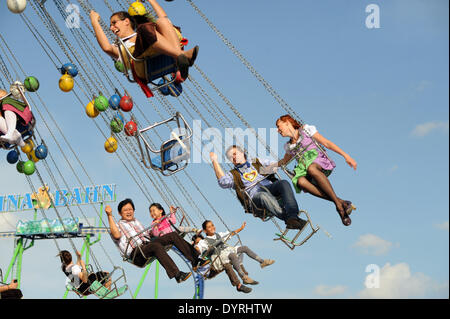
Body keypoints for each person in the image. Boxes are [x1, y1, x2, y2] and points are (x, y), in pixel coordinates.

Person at [276, 114, 357, 226]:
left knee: (311, 168)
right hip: (306, 170)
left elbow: (326, 143)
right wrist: (267, 168)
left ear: (287, 123)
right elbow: (283, 162)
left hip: (318, 162)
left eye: (279, 126)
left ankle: (339, 207)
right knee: (300, 181)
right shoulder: (289, 146)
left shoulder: (306, 130)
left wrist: (346, 156)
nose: (277, 130)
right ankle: (340, 202)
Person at [90, 0, 199, 80]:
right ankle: (182, 55)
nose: (111, 28)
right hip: (143, 67)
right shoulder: (121, 46)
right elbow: (106, 47)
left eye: (114, 23)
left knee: (161, 22)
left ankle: (179, 57)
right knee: (145, 28)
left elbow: (163, 18)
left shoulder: (146, 33)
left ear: (126, 21)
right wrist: (94, 21)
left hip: (162, 54)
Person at [105, 198, 202, 283]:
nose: (129, 212)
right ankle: (177, 274)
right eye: (125, 210)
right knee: (155, 246)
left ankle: (195, 261)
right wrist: (109, 215)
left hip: (148, 245)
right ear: (119, 213)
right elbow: (116, 235)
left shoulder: (136, 222)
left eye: (130, 209)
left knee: (172, 235)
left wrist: (156, 225)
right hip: (136, 253)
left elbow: (148, 234)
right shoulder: (117, 225)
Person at [210, 146, 307, 230]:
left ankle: (293, 216)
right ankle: (290, 219)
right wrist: (214, 161)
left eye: (235, 154)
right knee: (262, 195)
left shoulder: (256, 162)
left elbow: (276, 165)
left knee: (283, 183)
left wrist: (289, 154)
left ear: (242, 152)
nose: (234, 157)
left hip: (269, 187)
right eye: (231, 157)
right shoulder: (234, 174)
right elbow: (223, 182)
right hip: (255, 199)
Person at [196, 220, 275, 291]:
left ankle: (262, 262)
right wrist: (196, 249)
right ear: (205, 230)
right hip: (219, 257)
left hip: (227, 250)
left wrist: (241, 228)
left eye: (212, 225)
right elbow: (198, 248)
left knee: (244, 248)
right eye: (209, 227)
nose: (212, 227)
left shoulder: (219, 234)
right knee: (232, 255)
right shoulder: (204, 242)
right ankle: (244, 276)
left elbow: (231, 233)